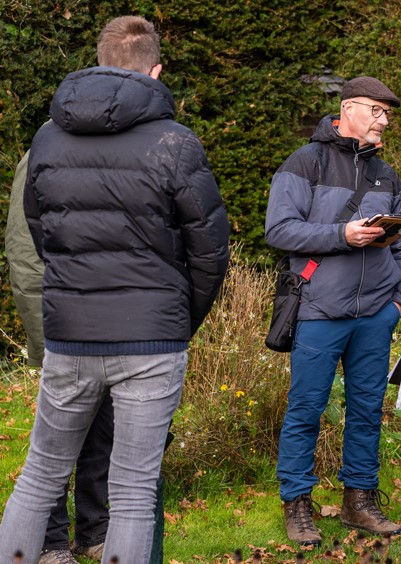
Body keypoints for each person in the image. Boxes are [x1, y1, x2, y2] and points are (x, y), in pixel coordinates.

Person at [0, 15, 230, 564]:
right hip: (151, 338)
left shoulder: (48, 139)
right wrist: (176, 317)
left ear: (100, 62)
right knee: (131, 492)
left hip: (72, 334)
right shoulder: (176, 142)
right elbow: (209, 251)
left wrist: (74, 290)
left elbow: (41, 234)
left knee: (39, 476)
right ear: (155, 70)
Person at [265, 76, 401, 546]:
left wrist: (398, 301)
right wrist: (342, 236)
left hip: (375, 315)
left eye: (387, 114)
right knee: (306, 410)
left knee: (368, 411)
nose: (383, 120)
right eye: (376, 111)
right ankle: (297, 503)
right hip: (318, 311)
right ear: (348, 108)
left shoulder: (386, 174)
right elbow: (280, 231)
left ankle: (359, 500)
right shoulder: (304, 162)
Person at [6, 150, 113, 564]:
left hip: (114, 325)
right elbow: (24, 252)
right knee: (57, 440)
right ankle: (49, 542)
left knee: (105, 432)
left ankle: (93, 531)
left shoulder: (127, 148)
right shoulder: (42, 154)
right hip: (62, 326)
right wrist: (46, 332)